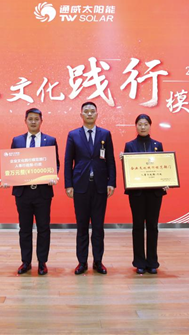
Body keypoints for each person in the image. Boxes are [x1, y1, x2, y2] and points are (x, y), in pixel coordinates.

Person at [1, 108, 59, 276]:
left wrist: (53, 176)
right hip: (23, 193)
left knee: (43, 228)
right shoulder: (17, 140)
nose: (33, 122)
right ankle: (25, 262)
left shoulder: (50, 140)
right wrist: (7, 178)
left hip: (43, 193)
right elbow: (12, 164)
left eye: (36, 119)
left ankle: (42, 262)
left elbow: (55, 163)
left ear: (41, 121)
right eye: (30, 119)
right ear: (25, 121)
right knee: (24, 229)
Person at [64, 101, 116, 275]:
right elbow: (68, 161)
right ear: (81, 115)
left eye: (92, 111)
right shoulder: (73, 135)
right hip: (80, 186)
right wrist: (68, 184)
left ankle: (98, 262)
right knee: (82, 227)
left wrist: (111, 182)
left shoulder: (105, 134)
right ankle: (82, 262)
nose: (89, 114)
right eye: (86, 111)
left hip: (100, 186)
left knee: (98, 227)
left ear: (97, 114)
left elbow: (110, 160)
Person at [123, 114, 167, 274]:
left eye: (145, 124)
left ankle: (152, 262)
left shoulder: (157, 145)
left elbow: (163, 166)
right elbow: (128, 169)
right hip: (137, 193)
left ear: (150, 126)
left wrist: (166, 180)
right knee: (138, 226)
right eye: (140, 124)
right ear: (136, 126)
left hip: (155, 193)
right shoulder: (130, 145)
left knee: (153, 226)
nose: (142, 127)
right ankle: (139, 262)